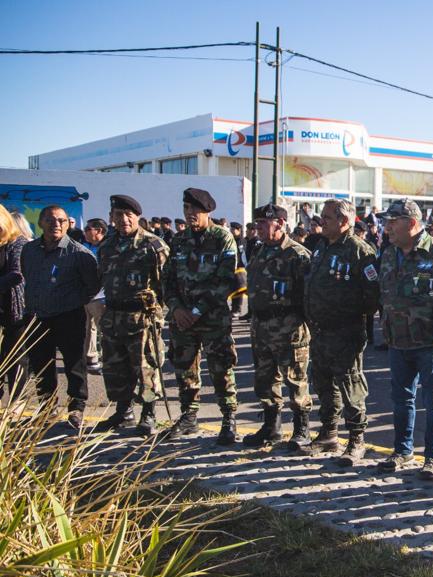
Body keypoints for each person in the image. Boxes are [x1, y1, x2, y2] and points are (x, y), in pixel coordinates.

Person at [376, 198, 433, 479]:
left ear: (411, 223)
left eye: (392, 222)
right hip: (397, 340)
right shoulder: (388, 253)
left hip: (429, 341)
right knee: (401, 399)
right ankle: (402, 450)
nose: (387, 228)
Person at [302, 198, 380, 465]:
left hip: (345, 332)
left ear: (344, 221)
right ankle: (329, 433)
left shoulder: (359, 251)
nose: (321, 221)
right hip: (320, 331)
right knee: (323, 383)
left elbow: (372, 296)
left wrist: (348, 315)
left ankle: (357, 439)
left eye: (327, 217)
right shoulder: (321, 246)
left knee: (350, 385)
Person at [161, 188, 240, 443]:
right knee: (184, 368)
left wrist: (195, 311)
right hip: (182, 319)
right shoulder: (179, 240)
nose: (190, 213)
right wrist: (176, 308)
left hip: (213, 317)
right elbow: (167, 280)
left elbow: (225, 280)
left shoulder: (222, 238)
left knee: (221, 367)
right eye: (186, 209)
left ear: (207, 211)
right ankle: (189, 416)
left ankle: (228, 418)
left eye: (195, 209)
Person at [94, 195, 169, 435]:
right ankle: (123, 412)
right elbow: (101, 279)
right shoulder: (106, 246)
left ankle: (148, 414)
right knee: (115, 367)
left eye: (129, 215)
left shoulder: (153, 246)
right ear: (112, 217)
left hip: (142, 319)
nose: (124, 220)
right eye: (119, 215)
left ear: (137, 217)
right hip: (114, 316)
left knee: (146, 368)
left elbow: (167, 286)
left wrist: (158, 316)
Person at [242, 204, 314, 449]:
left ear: (280, 224)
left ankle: (301, 429)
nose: (258, 228)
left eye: (264, 223)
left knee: (295, 379)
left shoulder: (298, 255)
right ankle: (271, 427)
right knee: (265, 379)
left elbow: (308, 297)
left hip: (289, 328)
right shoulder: (259, 251)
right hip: (261, 326)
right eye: (257, 224)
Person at [21, 205, 100, 428]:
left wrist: (71, 300)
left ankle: (76, 407)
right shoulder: (29, 250)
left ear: (67, 224)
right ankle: (46, 408)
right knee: (41, 364)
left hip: (69, 316)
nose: (56, 224)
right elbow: (27, 275)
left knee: (75, 364)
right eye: (50, 220)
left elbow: (92, 287)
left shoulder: (79, 254)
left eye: (61, 221)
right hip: (37, 316)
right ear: (40, 223)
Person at [0, 204, 30, 399]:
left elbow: (17, 273)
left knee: (16, 357)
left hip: (13, 310)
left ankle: (16, 402)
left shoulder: (17, 242)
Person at [81, 218, 107, 373]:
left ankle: (107, 360)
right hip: (86, 295)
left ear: (99, 231)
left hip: (101, 296)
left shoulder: (107, 248)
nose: (85, 232)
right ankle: (91, 358)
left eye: (88, 229)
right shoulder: (84, 246)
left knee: (104, 330)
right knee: (87, 328)